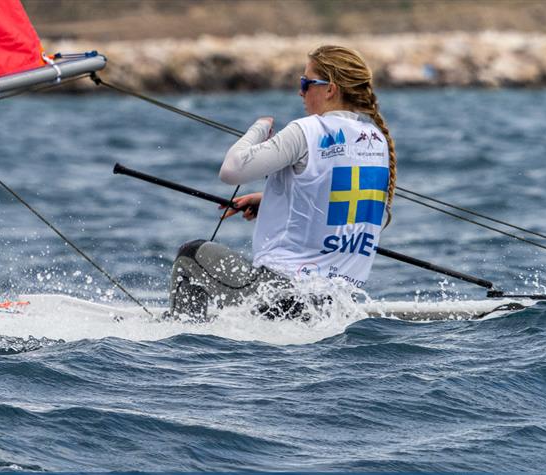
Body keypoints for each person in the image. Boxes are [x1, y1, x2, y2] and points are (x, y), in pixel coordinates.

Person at [168, 45, 397, 321]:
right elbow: (333, 198)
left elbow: (231, 171)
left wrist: (259, 129)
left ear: (330, 89)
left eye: (305, 83)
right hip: (333, 304)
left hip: (277, 297)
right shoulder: (375, 140)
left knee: (190, 254)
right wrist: (270, 201)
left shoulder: (307, 130)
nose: (300, 92)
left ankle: (185, 335)